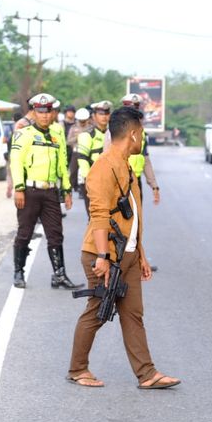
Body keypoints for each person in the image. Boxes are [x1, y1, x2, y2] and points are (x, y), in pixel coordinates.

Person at [67, 106, 180, 389]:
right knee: (97, 310)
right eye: (141, 133)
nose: (142, 139)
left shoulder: (126, 165)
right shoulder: (102, 168)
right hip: (103, 254)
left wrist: (140, 254)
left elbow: (133, 215)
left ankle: (147, 374)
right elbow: (99, 215)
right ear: (132, 134)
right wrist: (103, 257)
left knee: (133, 313)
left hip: (126, 255)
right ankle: (78, 369)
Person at [10, 92, 83, 290]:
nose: (44, 115)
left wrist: (67, 189)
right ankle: (18, 272)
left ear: (52, 113)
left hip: (51, 191)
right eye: (40, 111)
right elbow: (16, 162)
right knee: (25, 233)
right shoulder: (24, 134)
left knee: (56, 234)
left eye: (47, 111)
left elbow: (62, 164)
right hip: (29, 190)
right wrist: (19, 188)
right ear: (34, 112)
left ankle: (59, 275)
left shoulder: (57, 134)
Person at [76, 101, 111, 217]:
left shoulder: (114, 134)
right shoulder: (87, 135)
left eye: (106, 113)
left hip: (110, 181)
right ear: (94, 116)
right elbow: (82, 159)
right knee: (95, 218)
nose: (104, 117)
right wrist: (89, 180)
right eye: (101, 114)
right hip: (93, 181)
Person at [67, 107, 93, 197]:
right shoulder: (74, 128)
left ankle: (83, 190)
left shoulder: (91, 128)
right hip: (76, 151)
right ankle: (73, 186)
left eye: (84, 121)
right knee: (73, 171)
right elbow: (69, 141)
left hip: (87, 153)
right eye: (81, 121)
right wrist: (77, 137)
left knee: (85, 172)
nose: (82, 123)